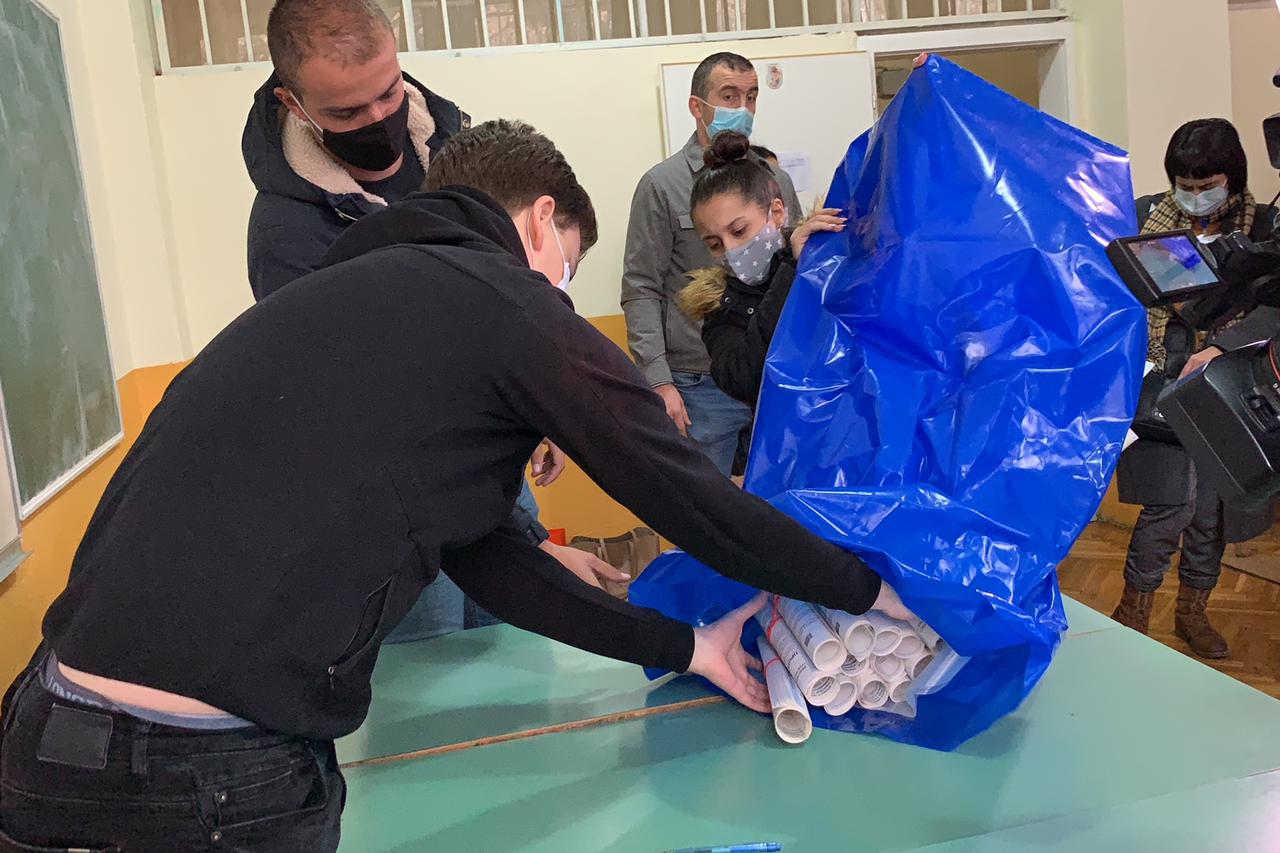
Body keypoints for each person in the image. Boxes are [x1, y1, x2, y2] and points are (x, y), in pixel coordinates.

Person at [0, 119, 909, 850]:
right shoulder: (505, 300)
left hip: (41, 729)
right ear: (539, 223)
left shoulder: (339, 298)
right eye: (567, 266)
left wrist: (688, 647)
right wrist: (873, 592)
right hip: (206, 768)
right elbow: (688, 496)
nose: (562, 293)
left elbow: (490, 562)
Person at [242, 0, 622, 644]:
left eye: (389, 93)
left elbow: (508, 302)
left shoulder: (454, 150)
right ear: (293, 103)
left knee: (512, 650)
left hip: (485, 477)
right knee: (436, 670)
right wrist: (531, 547)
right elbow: (382, 424)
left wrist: (538, 404)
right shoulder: (289, 238)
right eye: (347, 112)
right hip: (392, 514)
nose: (378, 121)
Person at [1111, 118, 1277, 658]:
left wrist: (1222, 345)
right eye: (1185, 184)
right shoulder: (1145, 217)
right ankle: (1131, 614)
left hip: (1228, 389)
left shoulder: (1265, 227)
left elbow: (1274, 307)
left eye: (1208, 185)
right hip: (1160, 381)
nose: (1196, 195)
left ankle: (1192, 614)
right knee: (1168, 504)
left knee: (1212, 512)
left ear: (1233, 177)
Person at [622, 52, 804, 475]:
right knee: (705, 503)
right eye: (729, 96)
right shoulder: (660, 185)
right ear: (697, 106)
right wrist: (658, 380)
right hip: (698, 383)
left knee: (781, 499)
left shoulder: (776, 180)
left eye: (751, 96)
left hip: (777, 374)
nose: (742, 107)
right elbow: (641, 286)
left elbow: (794, 265)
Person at [678, 132, 845, 407]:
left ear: (777, 213)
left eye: (739, 230)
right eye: (715, 244)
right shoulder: (720, 308)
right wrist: (790, 269)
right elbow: (745, 379)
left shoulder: (827, 260)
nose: (730, 249)